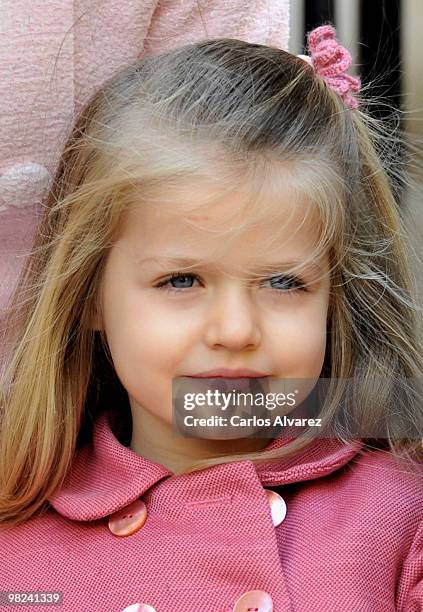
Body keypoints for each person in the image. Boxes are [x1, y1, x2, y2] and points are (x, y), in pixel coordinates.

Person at [0, 24, 422, 612]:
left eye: (283, 282)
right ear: (90, 293)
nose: (234, 331)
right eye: (181, 280)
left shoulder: (403, 522)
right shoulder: (16, 559)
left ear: (334, 296)